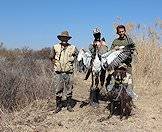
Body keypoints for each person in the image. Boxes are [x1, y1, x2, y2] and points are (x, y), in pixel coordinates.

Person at [50, 31, 78, 113]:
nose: (64, 39)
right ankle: (58, 106)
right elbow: (51, 57)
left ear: (68, 39)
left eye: (66, 38)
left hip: (69, 72)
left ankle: (69, 106)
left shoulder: (73, 47)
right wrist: (55, 65)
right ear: (60, 38)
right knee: (58, 90)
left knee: (69, 89)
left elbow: (78, 56)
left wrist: (72, 64)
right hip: (58, 73)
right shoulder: (55, 47)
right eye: (63, 38)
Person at [109, 25, 137, 100]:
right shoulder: (115, 41)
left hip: (127, 65)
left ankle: (130, 100)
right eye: (119, 32)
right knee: (114, 81)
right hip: (117, 65)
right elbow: (110, 52)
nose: (121, 33)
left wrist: (133, 52)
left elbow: (135, 50)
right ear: (117, 32)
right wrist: (114, 49)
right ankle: (114, 98)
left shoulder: (129, 40)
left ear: (125, 31)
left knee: (129, 83)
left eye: (122, 31)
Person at [88, 28, 109, 108]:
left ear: (100, 34)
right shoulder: (91, 44)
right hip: (95, 66)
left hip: (102, 66)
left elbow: (106, 52)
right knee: (94, 83)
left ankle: (98, 98)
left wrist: (102, 45)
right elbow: (92, 52)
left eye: (98, 34)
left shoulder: (104, 42)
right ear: (93, 35)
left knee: (102, 82)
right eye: (95, 34)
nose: (97, 35)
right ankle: (94, 100)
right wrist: (94, 47)